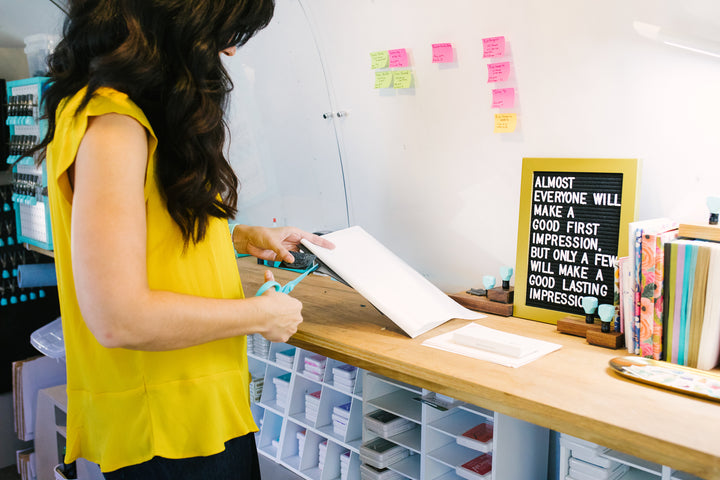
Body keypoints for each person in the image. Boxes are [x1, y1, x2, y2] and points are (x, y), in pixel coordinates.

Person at [32, 1, 334, 478]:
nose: (230, 51)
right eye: (225, 32)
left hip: (196, 408)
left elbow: (144, 230)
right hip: (167, 428)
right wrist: (261, 315)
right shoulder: (115, 127)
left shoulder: (127, 115)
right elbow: (119, 318)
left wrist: (239, 237)